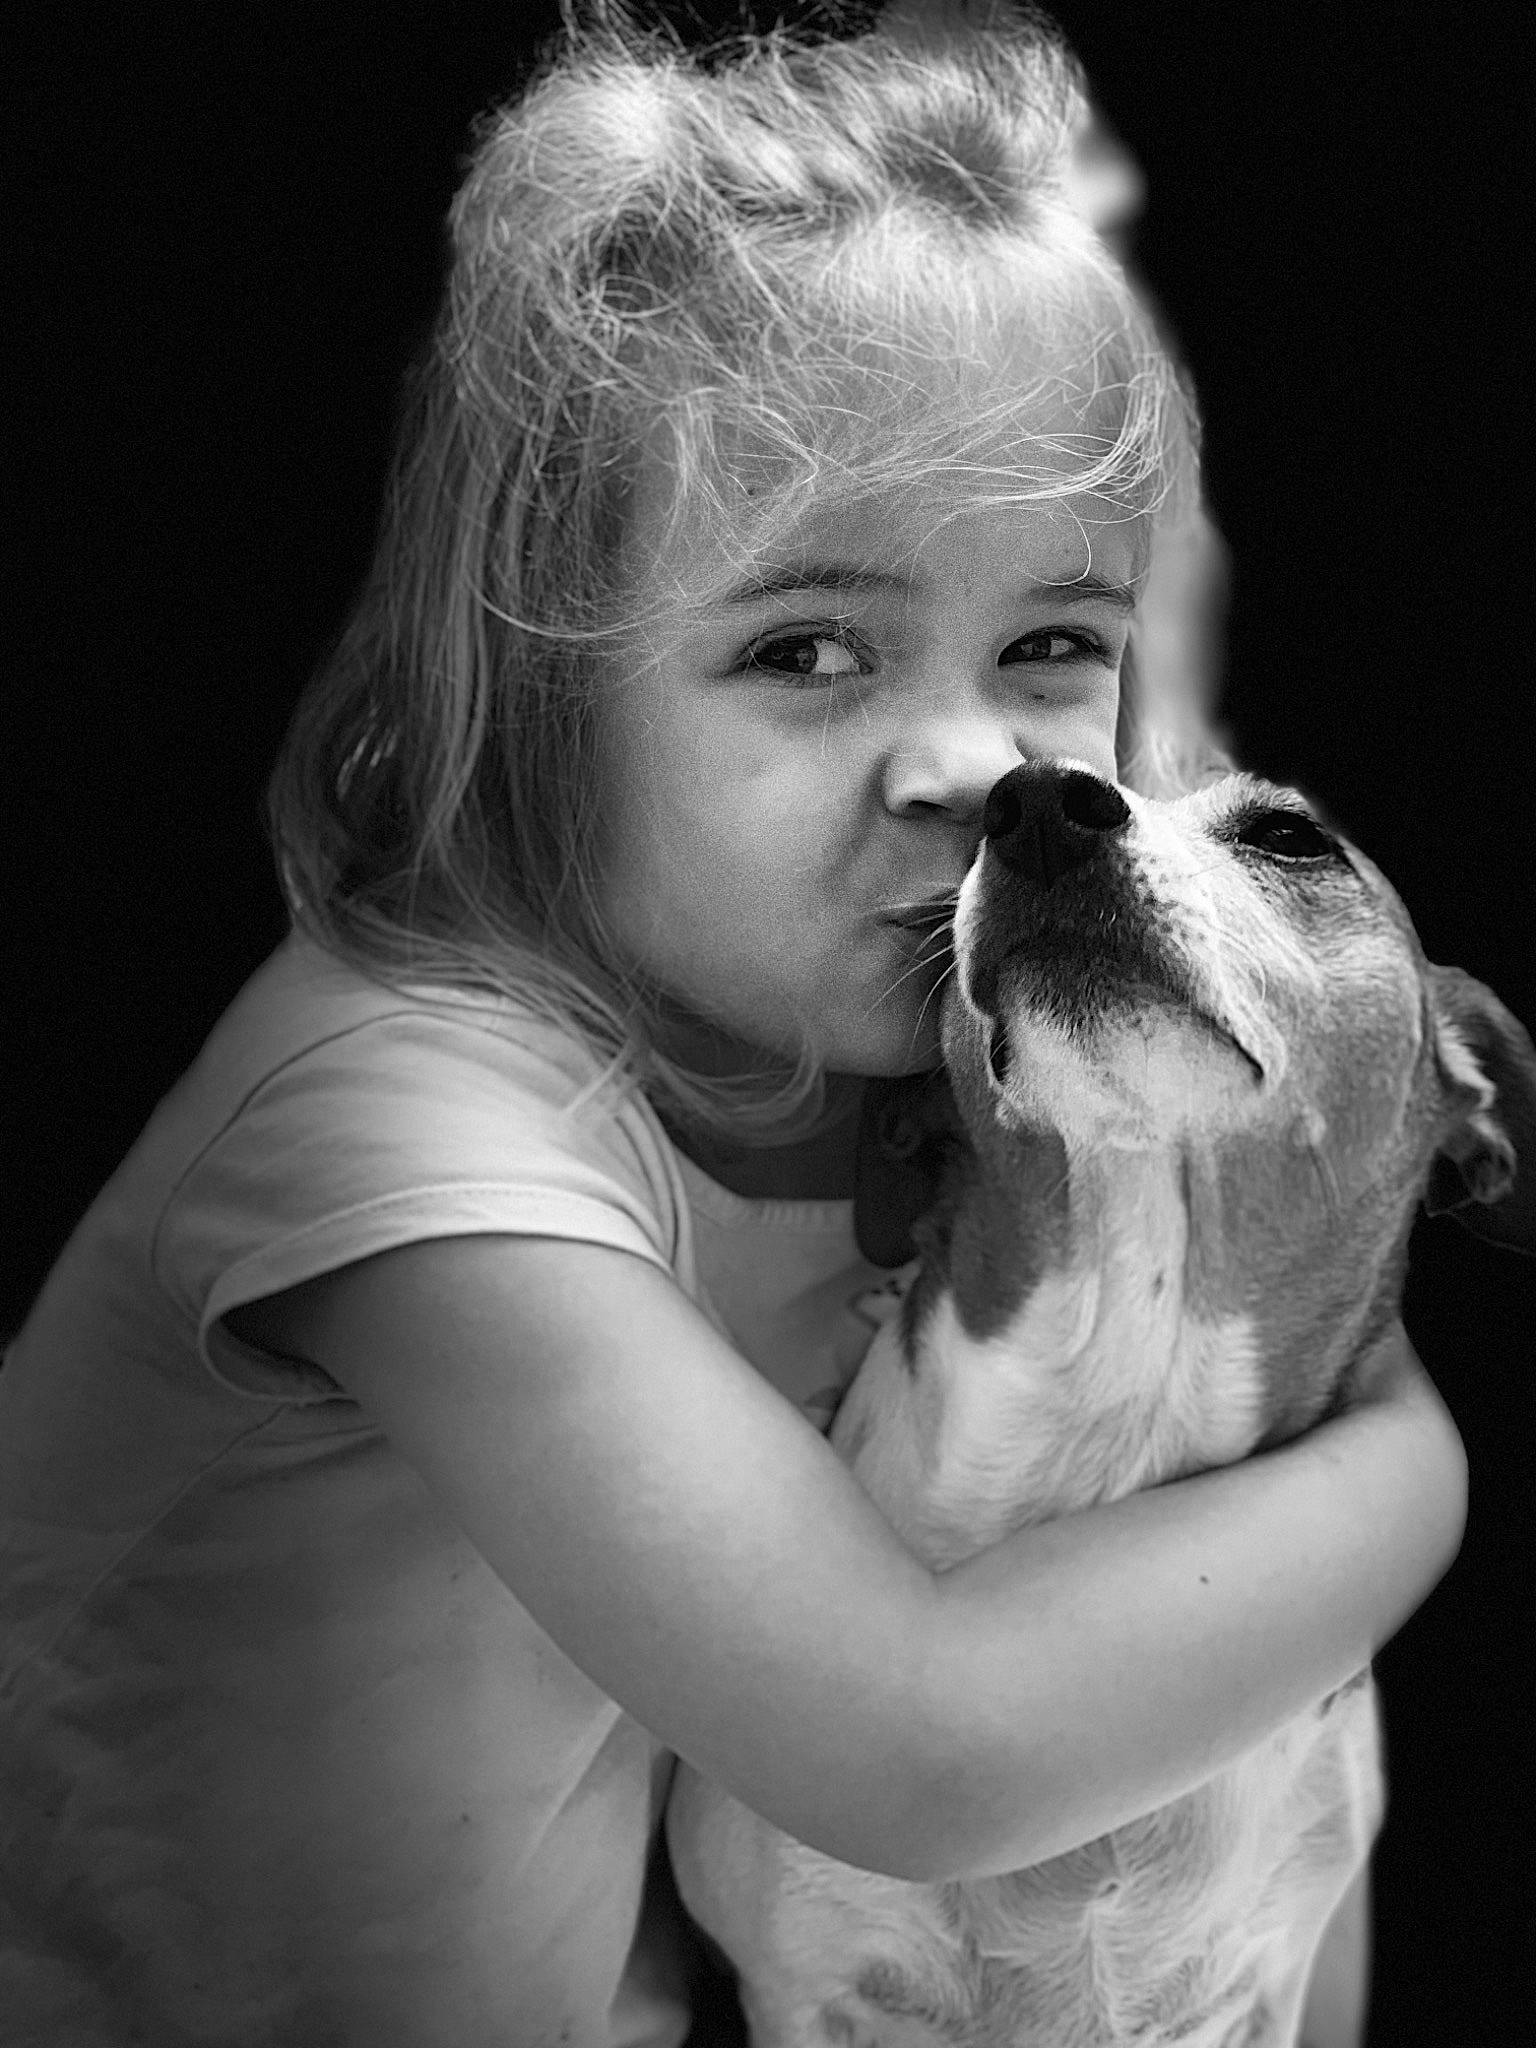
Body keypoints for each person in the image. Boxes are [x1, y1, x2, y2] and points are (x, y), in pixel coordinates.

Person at [0, 5, 1465, 2044]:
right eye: (805, 646)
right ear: (536, 707)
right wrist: (1414, 1479)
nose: (981, 761)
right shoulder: (398, 1126)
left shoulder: (901, 1106)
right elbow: (915, 1750)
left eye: (1050, 642)